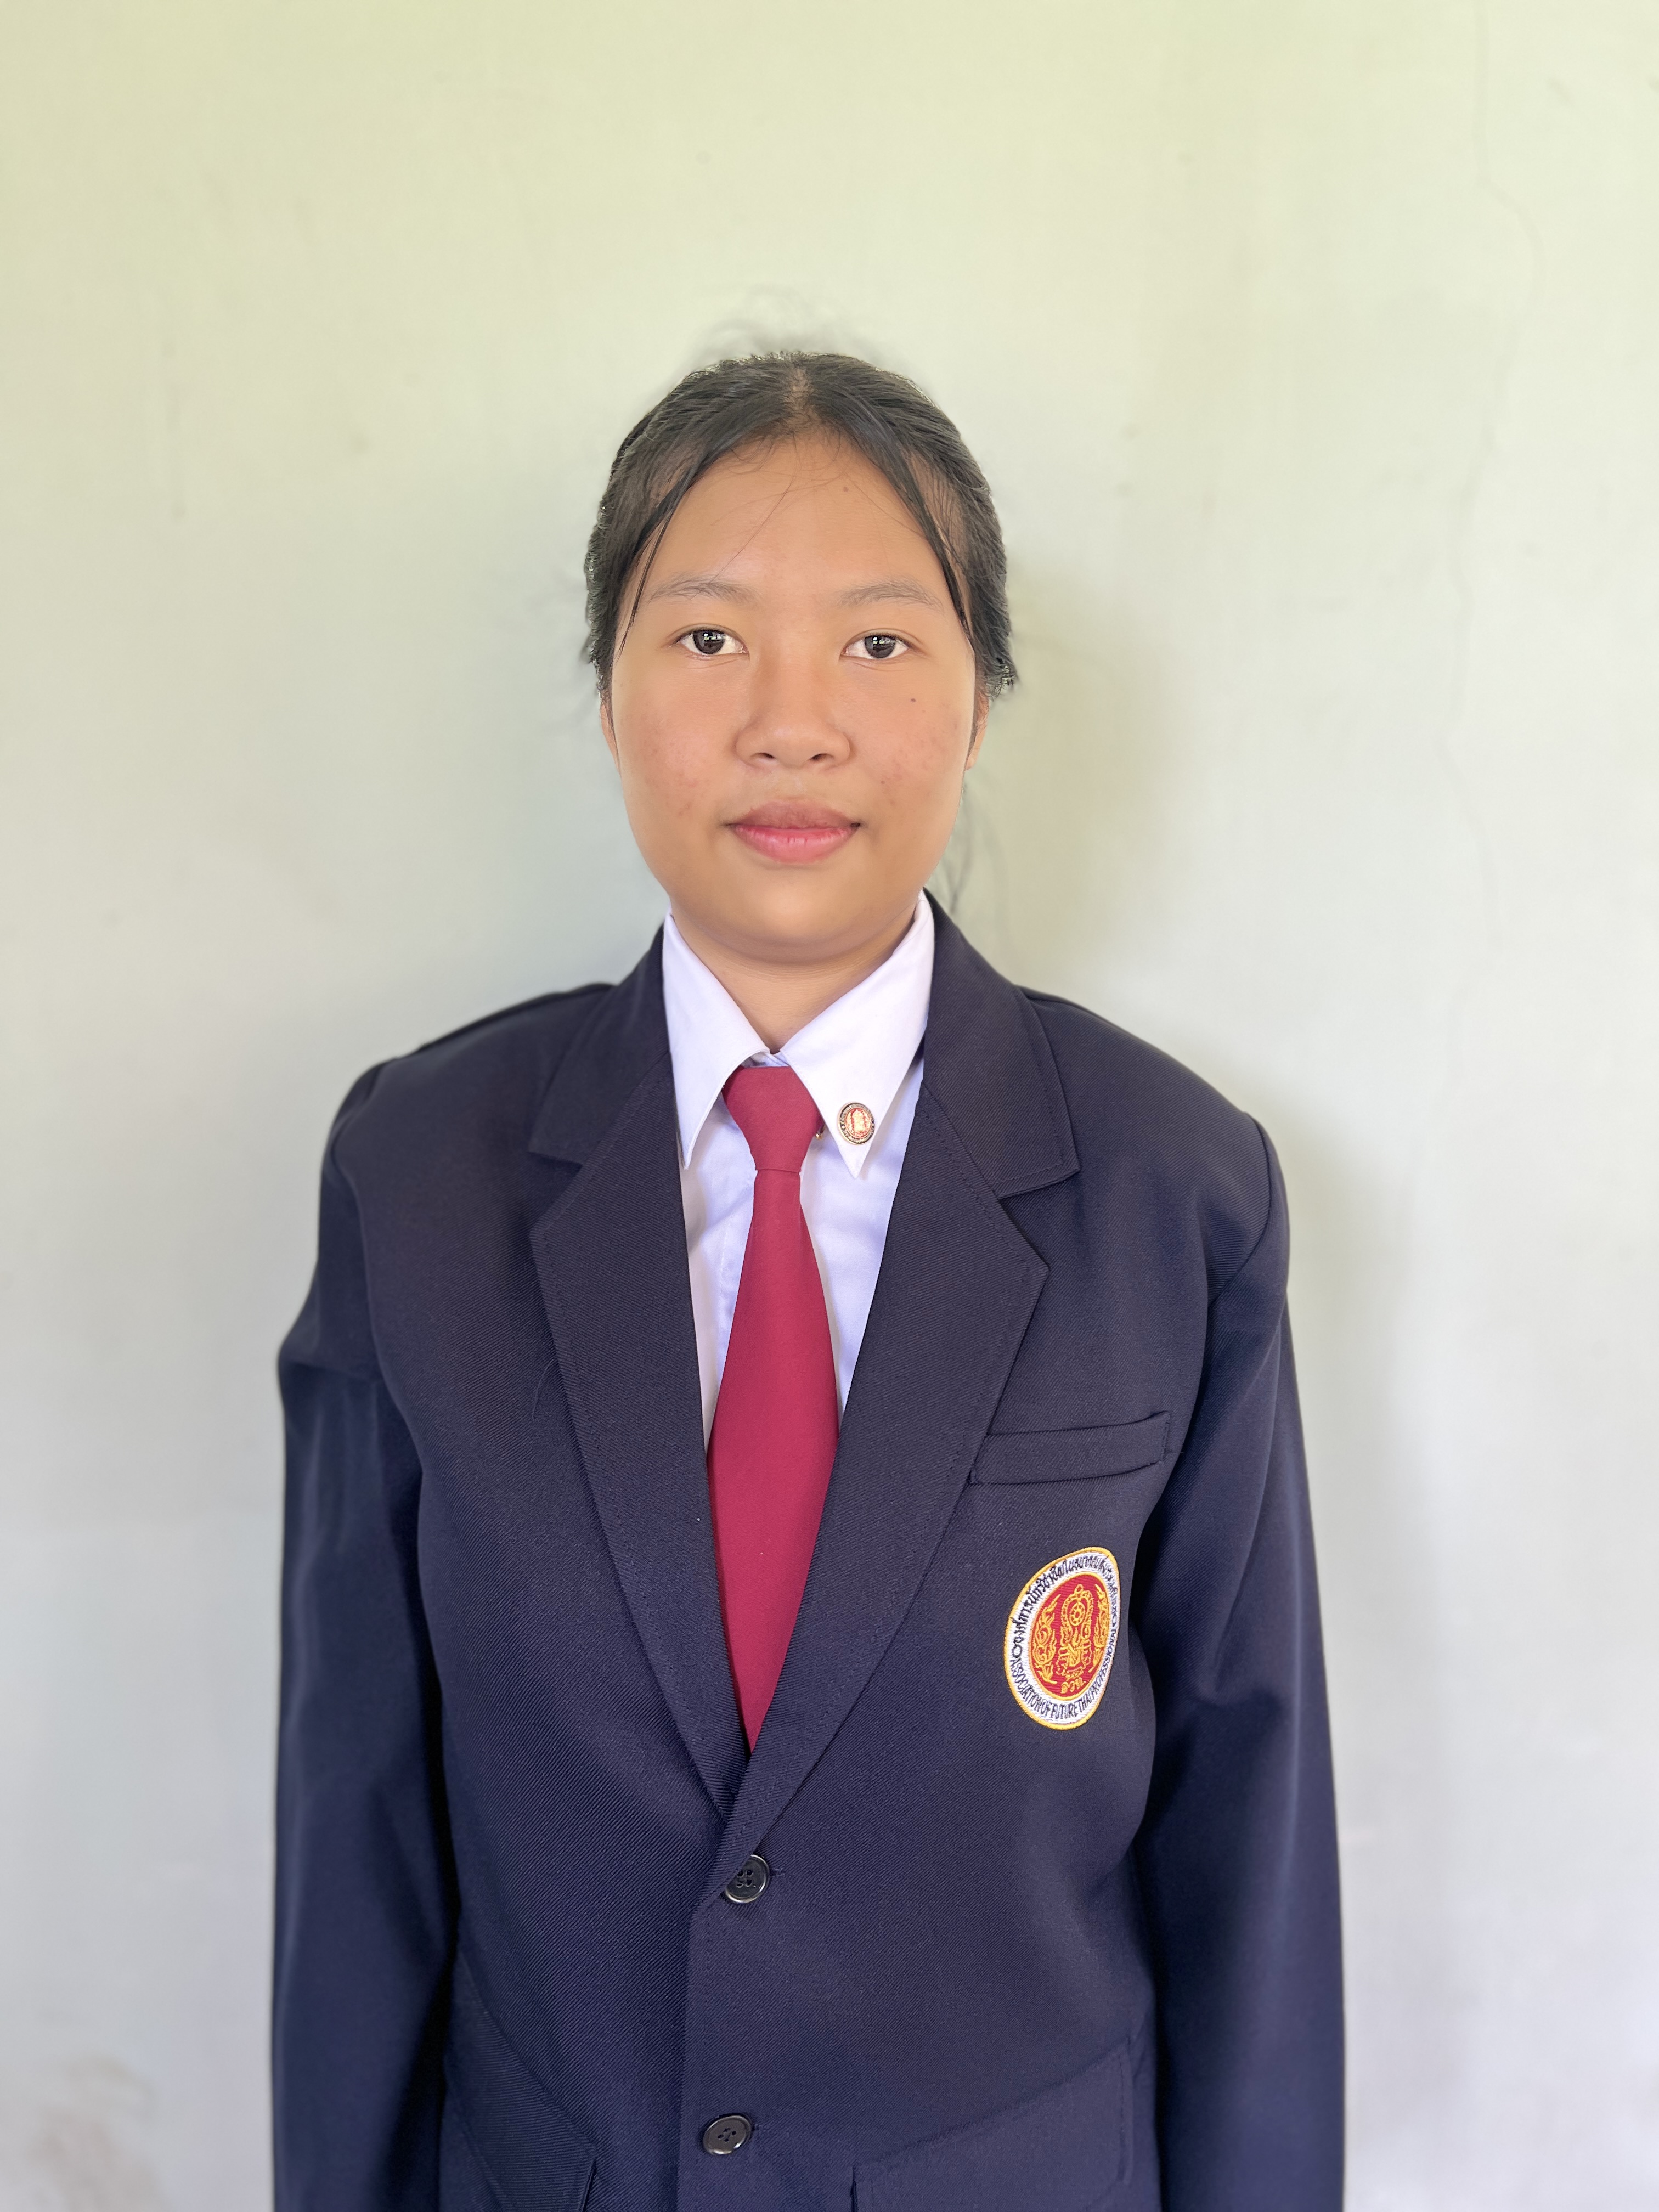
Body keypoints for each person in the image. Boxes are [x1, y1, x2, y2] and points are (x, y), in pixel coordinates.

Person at [274, 352, 1342, 2212]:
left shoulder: (1173, 1193)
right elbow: (354, 1821)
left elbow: (1248, 1835)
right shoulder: (418, 1176)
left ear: (977, 698)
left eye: (876, 643)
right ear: (608, 691)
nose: (791, 725)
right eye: (707, 640)